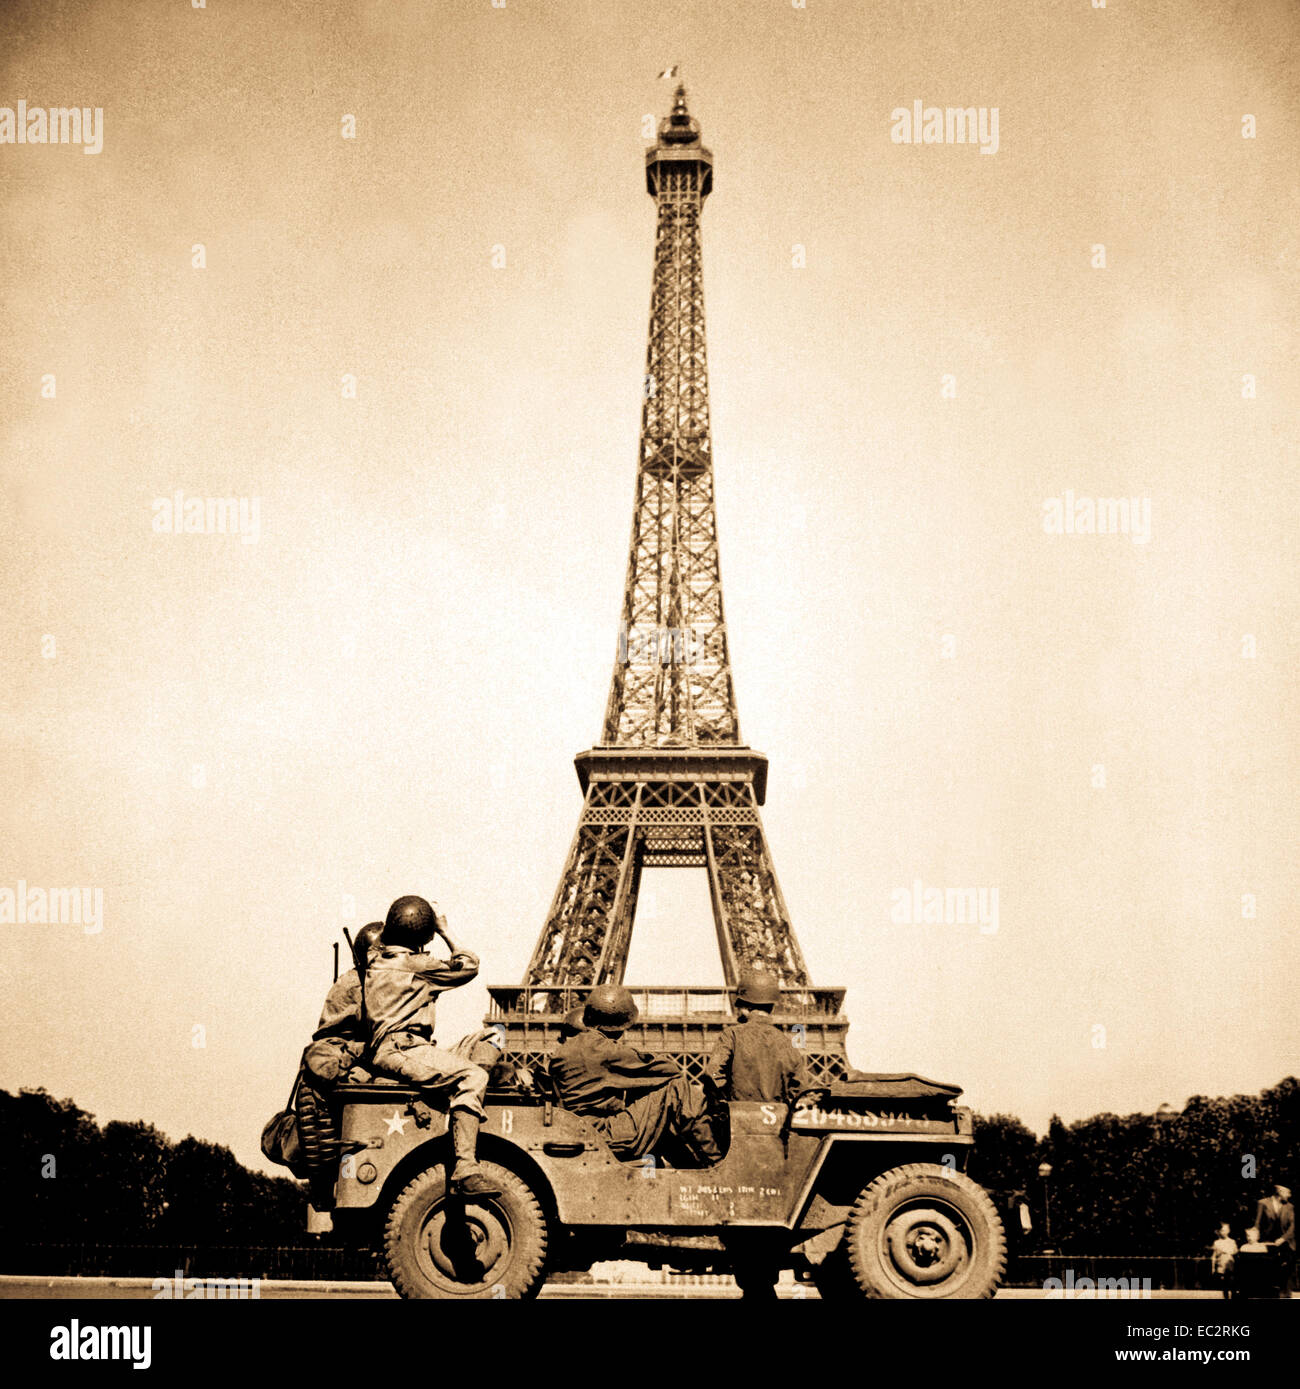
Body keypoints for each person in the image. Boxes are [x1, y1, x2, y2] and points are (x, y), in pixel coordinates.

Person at [365, 895, 498, 1198]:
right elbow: (469, 965)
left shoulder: (376, 960)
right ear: (423, 937)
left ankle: (463, 1105)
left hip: (402, 1048)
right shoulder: (418, 965)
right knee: (474, 1076)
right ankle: (466, 1167)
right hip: (404, 1048)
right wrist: (444, 929)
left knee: (488, 1035)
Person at [550, 985, 721, 1166]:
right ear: (621, 1026)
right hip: (605, 1133)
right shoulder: (607, 1050)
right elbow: (669, 1069)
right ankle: (715, 1164)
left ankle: (688, 1167)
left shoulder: (564, 1050)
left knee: (653, 1101)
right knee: (676, 1088)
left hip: (580, 1128)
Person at [706, 969, 808, 1103]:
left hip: (738, 1117)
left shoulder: (731, 1035)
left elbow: (712, 1072)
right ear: (771, 1007)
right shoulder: (788, 1044)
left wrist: (724, 1100)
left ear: (746, 1008)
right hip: (776, 1120)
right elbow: (800, 1089)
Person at [303, 921, 384, 1085]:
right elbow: (329, 1038)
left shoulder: (398, 979)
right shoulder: (350, 985)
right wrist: (359, 1050)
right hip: (356, 1057)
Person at [1254, 1183, 1295, 1295]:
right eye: (1288, 1192)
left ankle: (1285, 1294)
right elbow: (1257, 1223)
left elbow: (1293, 1226)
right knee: (1268, 1269)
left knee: (1286, 1268)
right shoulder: (1262, 1203)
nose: (1289, 1195)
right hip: (1267, 1242)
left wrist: (1283, 1238)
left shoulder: (1290, 1206)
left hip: (1286, 1243)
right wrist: (1254, 1238)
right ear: (1280, 1192)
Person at [1210, 1222, 1237, 1300]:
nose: (1223, 1232)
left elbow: (1235, 1252)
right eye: (1222, 1230)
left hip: (1230, 1266)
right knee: (1224, 1285)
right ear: (1219, 1231)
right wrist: (1213, 1268)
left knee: (1232, 1284)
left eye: (1225, 1230)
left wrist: (1228, 1251)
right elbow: (1214, 1256)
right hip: (1221, 1267)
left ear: (1229, 1231)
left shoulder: (1232, 1241)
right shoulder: (1217, 1242)